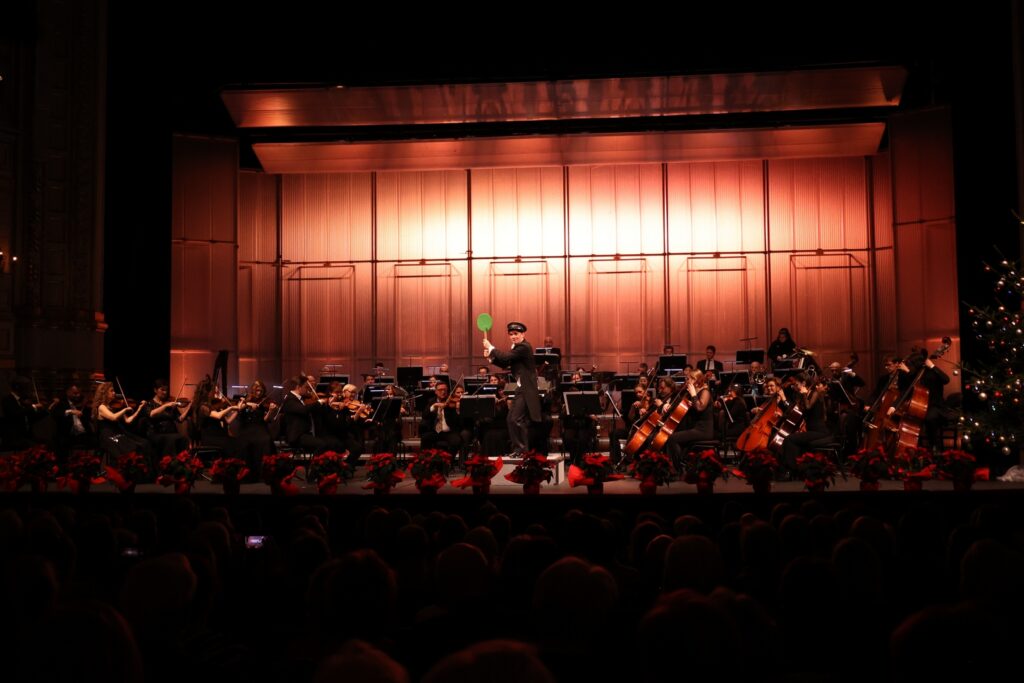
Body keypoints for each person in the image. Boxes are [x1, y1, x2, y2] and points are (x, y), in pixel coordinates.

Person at [483, 321, 541, 456]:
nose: (513, 336)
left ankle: (523, 451)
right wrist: (491, 358)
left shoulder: (524, 347)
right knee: (510, 419)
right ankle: (517, 449)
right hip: (521, 388)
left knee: (516, 419)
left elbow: (505, 357)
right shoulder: (517, 348)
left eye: (516, 333)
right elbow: (505, 363)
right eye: (511, 334)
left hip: (526, 389)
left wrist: (491, 347)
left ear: (523, 334)